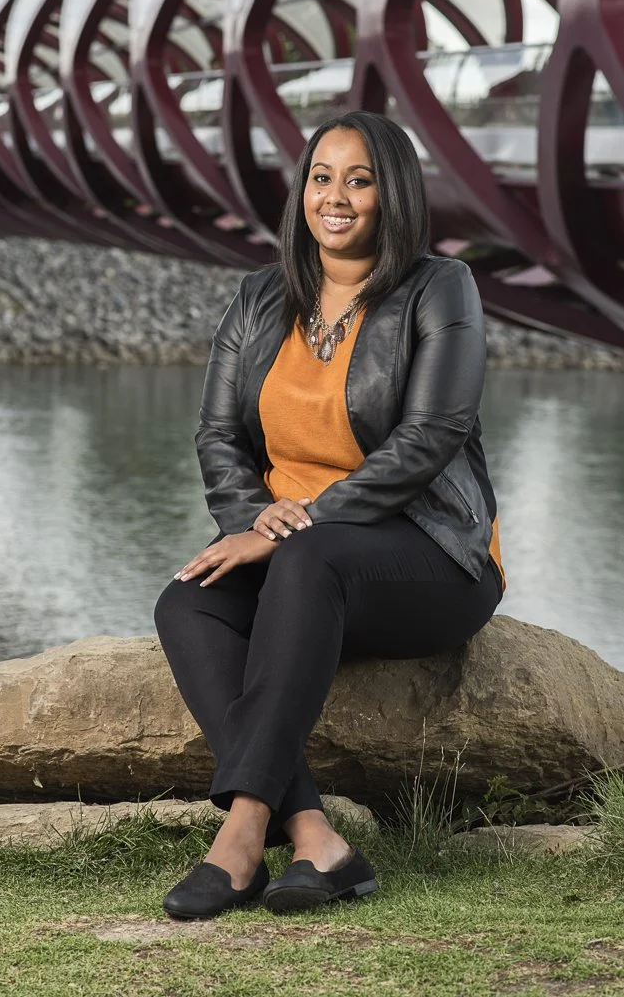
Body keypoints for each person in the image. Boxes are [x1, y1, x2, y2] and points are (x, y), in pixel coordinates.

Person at [153, 110, 506, 920]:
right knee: (188, 600)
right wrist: (251, 516)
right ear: (301, 192)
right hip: (295, 550)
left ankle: (240, 839)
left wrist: (291, 524)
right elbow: (216, 434)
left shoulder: (438, 288)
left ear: (392, 195)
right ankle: (318, 839)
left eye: (359, 179)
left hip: (427, 553)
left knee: (311, 559)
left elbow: (431, 435)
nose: (335, 197)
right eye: (320, 177)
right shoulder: (258, 296)